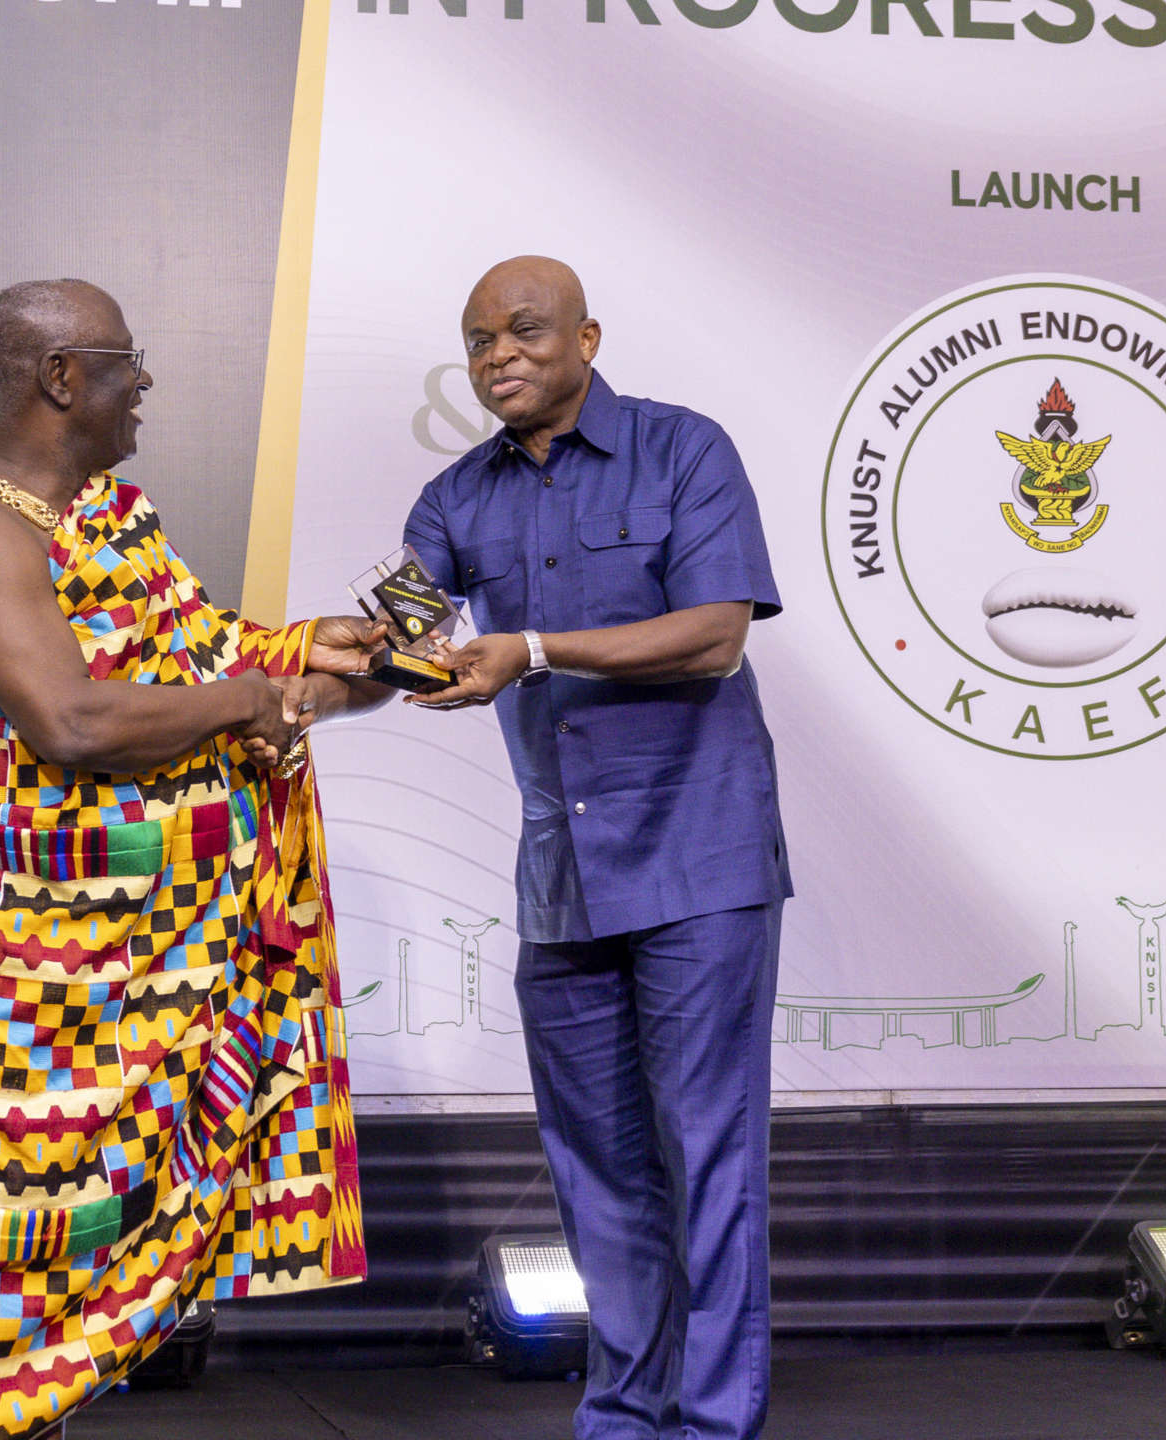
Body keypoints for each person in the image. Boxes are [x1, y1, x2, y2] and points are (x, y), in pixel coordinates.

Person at [0, 279, 386, 1440]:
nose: (145, 381)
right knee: (12, 1249)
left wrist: (307, 652)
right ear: (62, 378)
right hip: (22, 990)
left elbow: (188, 657)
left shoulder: (110, 514)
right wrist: (251, 699)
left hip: (151, 969)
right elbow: (71, 719)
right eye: (127, 361)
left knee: (91, 1246)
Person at [403, 257, 790, 1440]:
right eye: (478, 340)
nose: (498, 356)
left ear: (586, 338)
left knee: (703, 1153)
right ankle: (623, 1412)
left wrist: (528, 648)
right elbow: (399, 645)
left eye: (523, 330)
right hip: (563, 880)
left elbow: (715, 636)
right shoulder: (454, 500)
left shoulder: (682, 450)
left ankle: (710, 1422)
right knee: (596, 1167)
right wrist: (276, 688)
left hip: (697, 858)